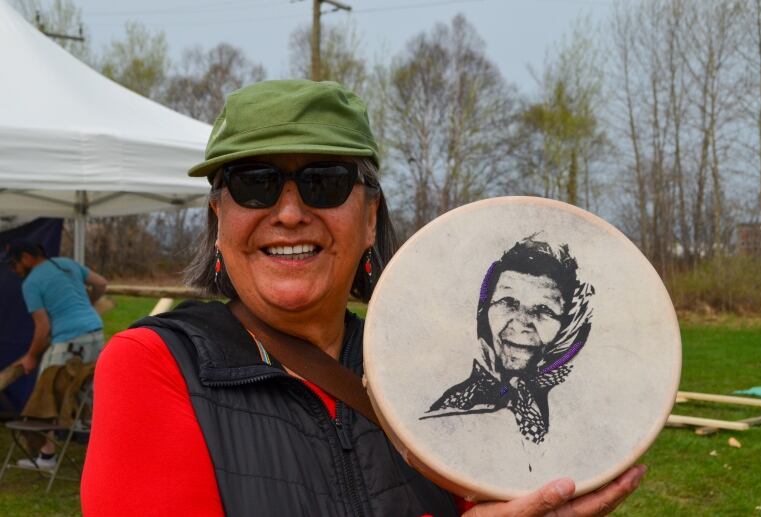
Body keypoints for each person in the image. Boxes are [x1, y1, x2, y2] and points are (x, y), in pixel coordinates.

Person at [81, 80, 645, 516]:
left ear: (370, 219)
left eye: (324, 181)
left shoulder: (427, 367)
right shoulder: (157, 366)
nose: (290, 212)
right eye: (255, 182)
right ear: (219, 220)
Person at [424, 237, 594, 444]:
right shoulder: (455, 406)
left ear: (567, 323)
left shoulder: (587, 408)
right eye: (508, 302)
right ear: (484, 309)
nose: (522, 323)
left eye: (543, 309)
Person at [4, 239, 107, 469]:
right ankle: (105, 452)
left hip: (69, 339)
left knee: (45, 393)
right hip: (95, 333)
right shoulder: (66, 263)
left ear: (28, 258)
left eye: (14, 264)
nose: (14, 270)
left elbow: (43, 328)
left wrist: (30, 357)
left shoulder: (31, 283)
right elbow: (101, 283)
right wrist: (86, 306)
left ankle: (46, 456)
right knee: (90, 392)